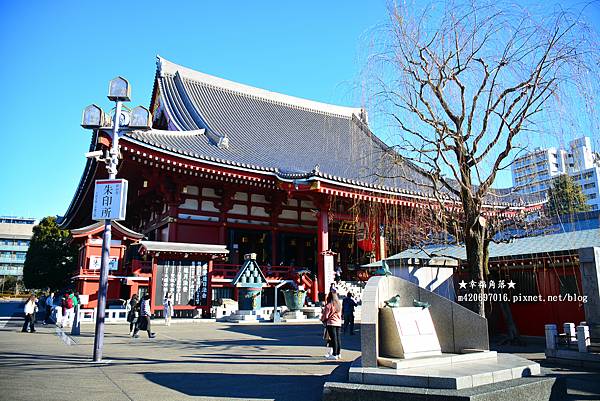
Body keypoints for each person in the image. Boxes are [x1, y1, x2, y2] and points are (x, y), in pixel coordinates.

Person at [321, 291, 342, 360]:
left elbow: (325, 316)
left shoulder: (329, 305)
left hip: (331, 323)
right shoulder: (339, 305)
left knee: (333, 339)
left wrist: (322, 319)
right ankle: (338, 353)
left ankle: (334, 354)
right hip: (338, 323)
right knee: (338, 339)